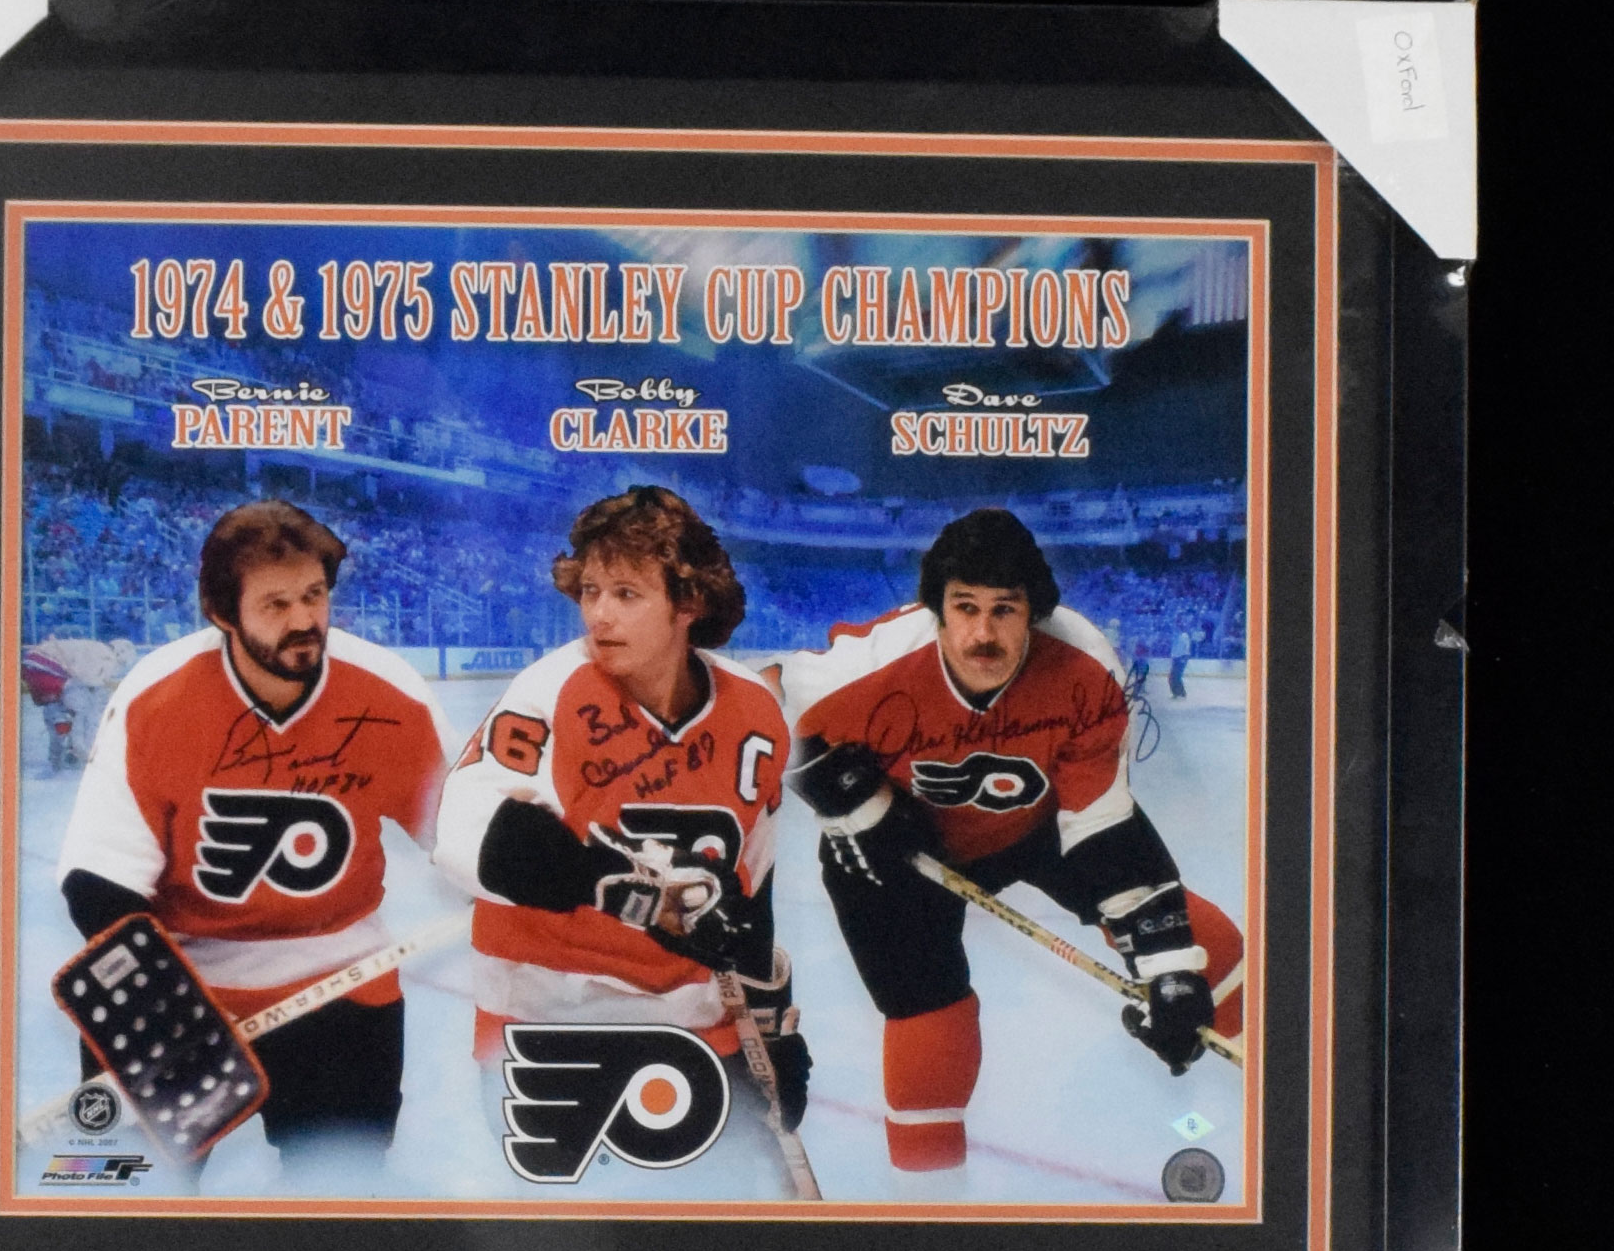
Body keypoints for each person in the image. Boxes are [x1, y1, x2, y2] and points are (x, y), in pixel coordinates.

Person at [778, 509, 1242, 1173]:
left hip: (1037, 825)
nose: (982, 633)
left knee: (1207, 946)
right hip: (897, 847)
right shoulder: (865, 665)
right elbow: (758, 708)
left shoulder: (1083, 665)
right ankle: (931, 1195)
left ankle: (1275, 1073)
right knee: (928, 1017)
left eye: (1005, 609)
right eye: (964, 607)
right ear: (936, 610)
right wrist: (843, 796)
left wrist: (1168, 964)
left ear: (1035, 614)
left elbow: (1101, 824)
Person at [56, 499, 455, 1152]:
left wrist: (530, 855)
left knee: (337, 1195)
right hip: (179, 984)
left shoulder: (388, 691)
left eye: (314, 595)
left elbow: (464, 835)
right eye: (276, 604)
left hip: (341, 985)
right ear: (223, 613)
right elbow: (99, 878)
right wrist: (162, 1001)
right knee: (134, 1197)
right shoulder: (159, 694)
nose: (303, 620)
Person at [434, 486, 810, 1131]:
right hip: (549, 1014)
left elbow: (752, 885)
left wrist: (773, 1027)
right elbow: (464, 833)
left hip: (694, 1021)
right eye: (591, 591)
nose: (599, 615)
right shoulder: (551, 689)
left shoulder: (755, 710)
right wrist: (625, 890)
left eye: (626, 594)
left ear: (688, 602)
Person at [22, 633, 138, 773]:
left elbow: (79, 671)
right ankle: (79, 748)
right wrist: (105, 685)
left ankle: (57, 753)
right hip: (48, 667)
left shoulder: (93, 647)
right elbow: (90, 679)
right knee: (84, 708)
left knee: (57, 705)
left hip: (33, 665)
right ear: (121, 655)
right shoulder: (107, 656)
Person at [1169, 622, 1194, 698]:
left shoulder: (1184, 636)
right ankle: (1179, 692)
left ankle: (1179, 692)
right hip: (1176, 658)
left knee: (1176, 676)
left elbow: (1186, 647)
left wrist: (1184, 657)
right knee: (1174, 676)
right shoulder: (1176, 636)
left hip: (1181, 658)